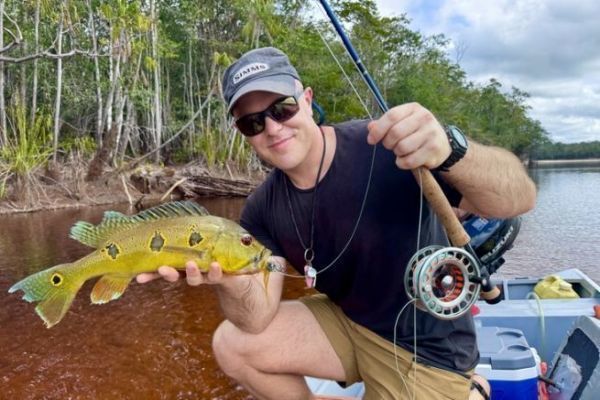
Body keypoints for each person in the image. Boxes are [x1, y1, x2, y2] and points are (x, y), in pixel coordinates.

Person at [137, 47, 536, 399]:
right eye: (252, 122)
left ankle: (469, 389)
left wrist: (452, 150)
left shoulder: (384, 147)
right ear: (243, 133)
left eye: (282, 108)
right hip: (348, 324)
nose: (273, 128)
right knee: (232, 342)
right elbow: (255, 317)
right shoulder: (261, 208)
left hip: (428, 352)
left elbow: (518, 198)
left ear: (307, 99)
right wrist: (224, 276)